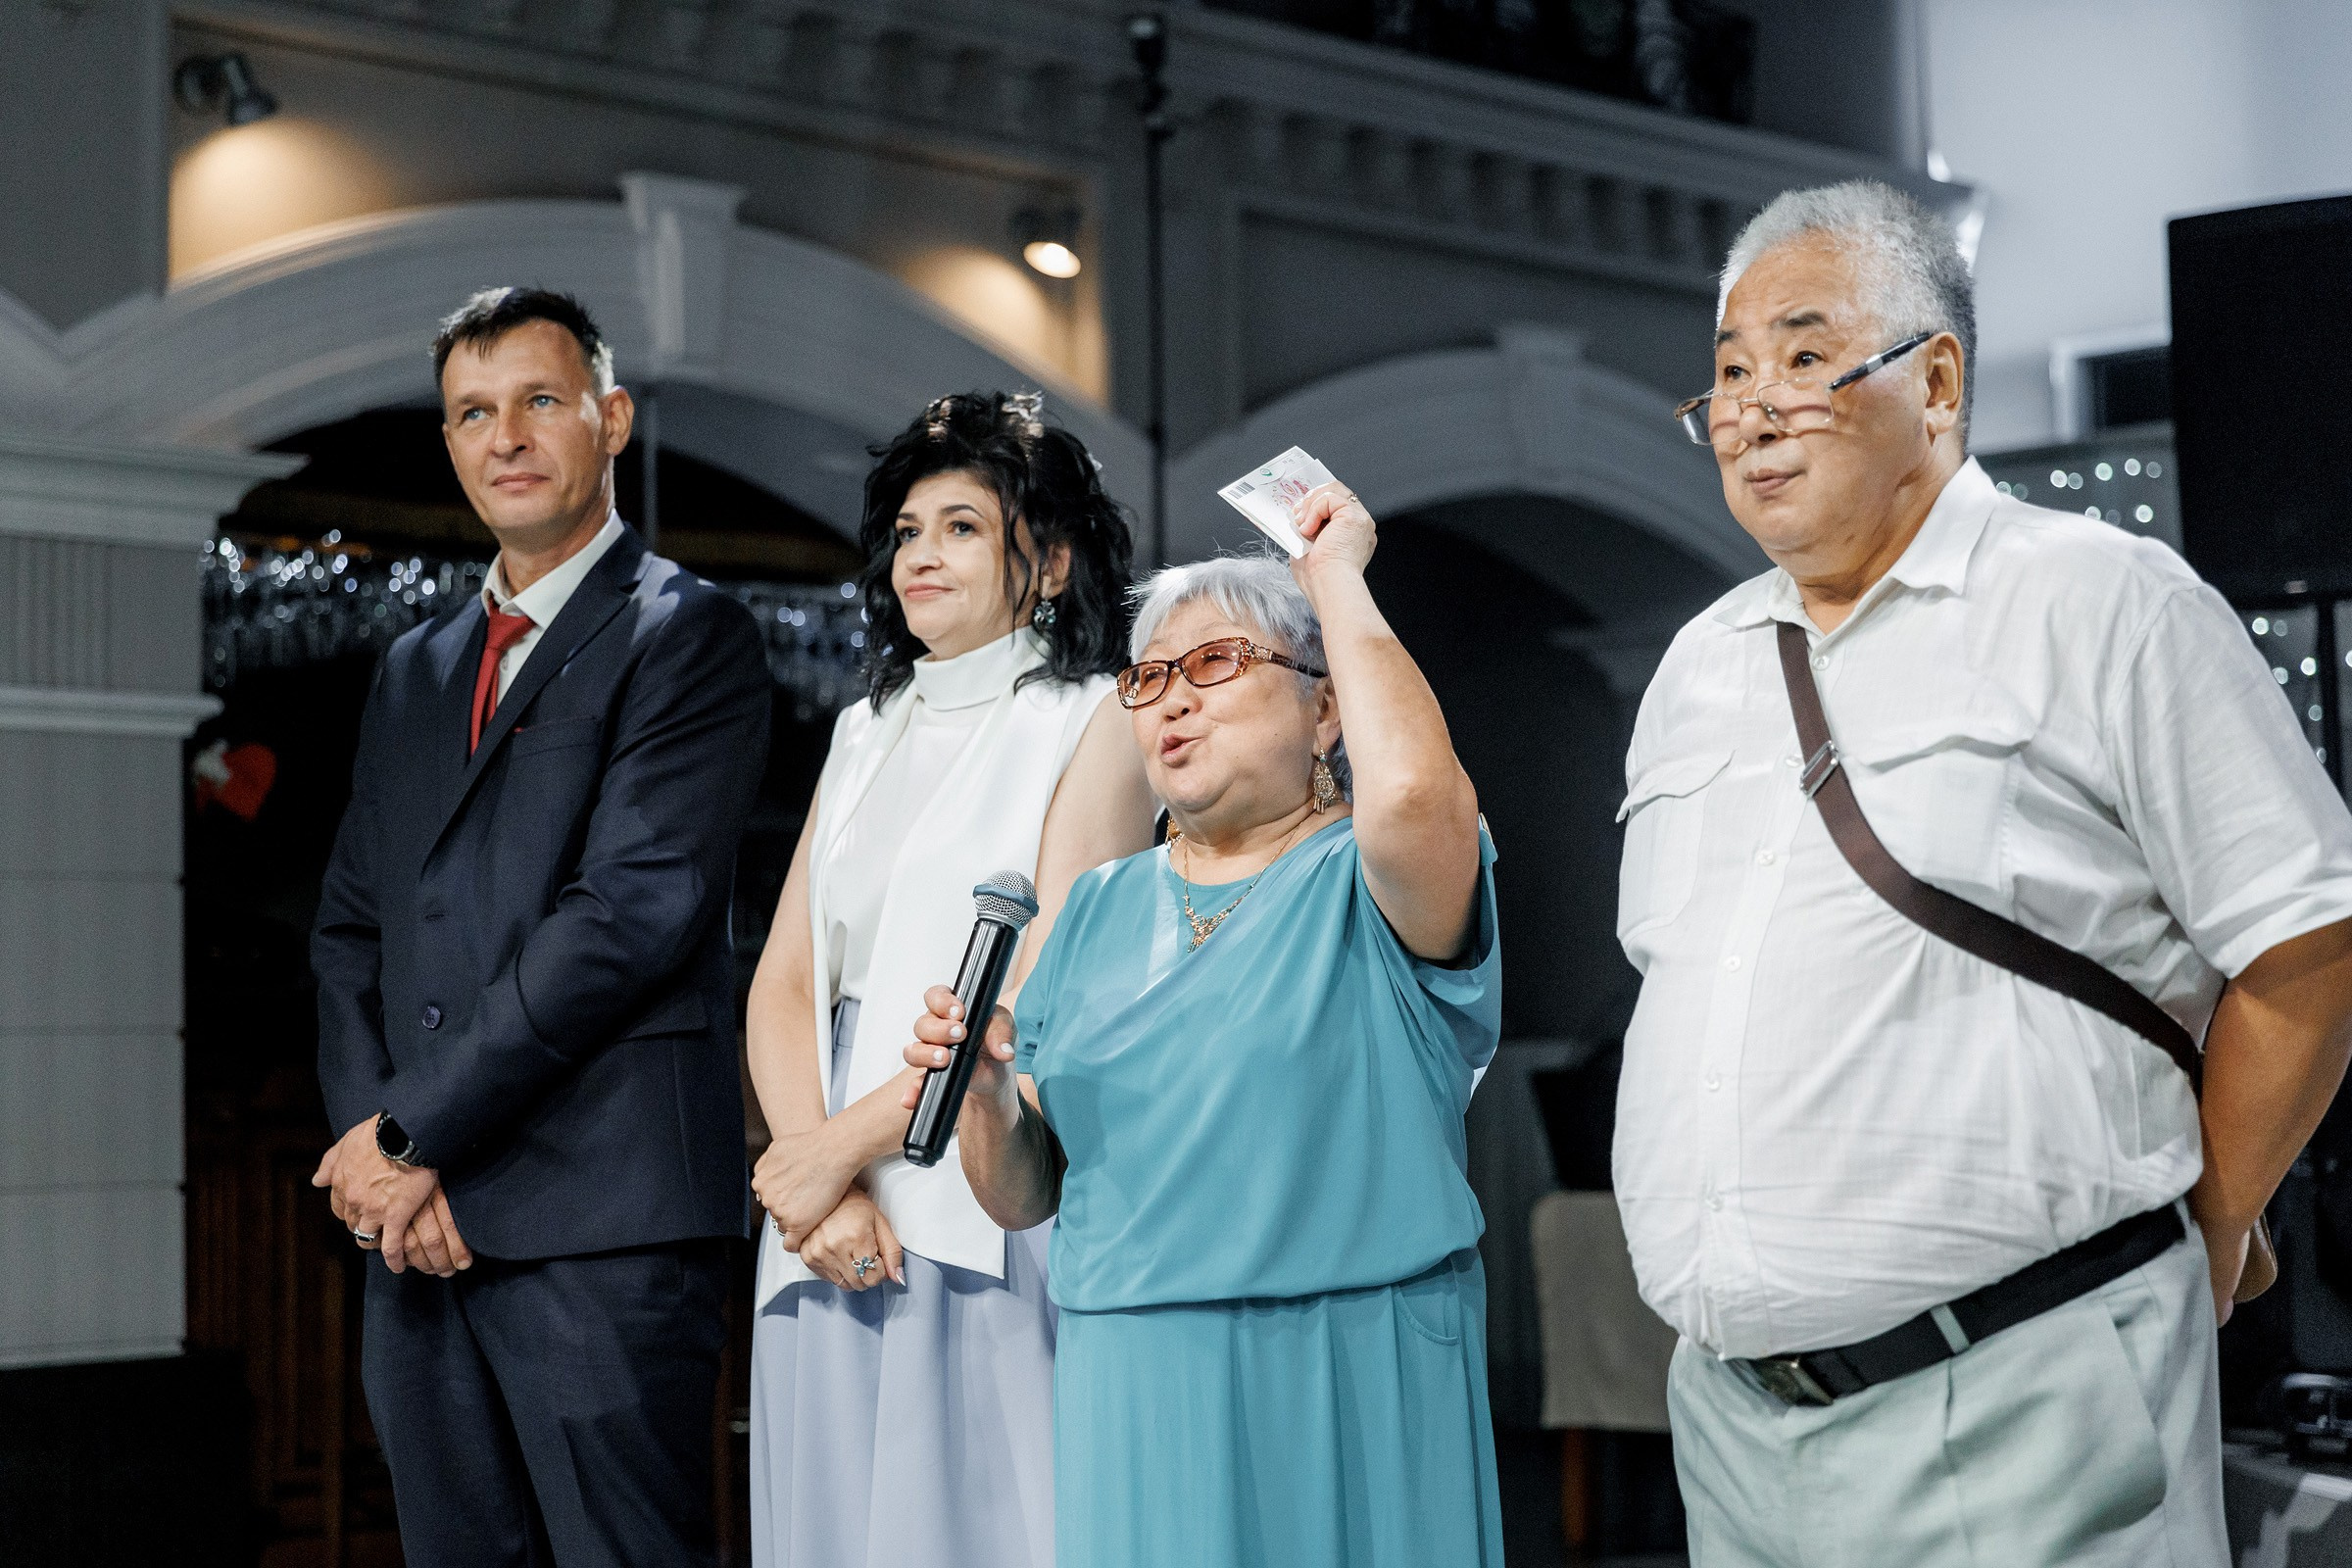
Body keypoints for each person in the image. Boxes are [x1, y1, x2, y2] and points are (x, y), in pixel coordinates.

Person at [1615, 178, 2352, 1567]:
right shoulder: (1698, 666)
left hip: (2030, 1394)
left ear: (1936, 379)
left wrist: (2203, 1228)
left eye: (1804, 354)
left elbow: (2307, 943)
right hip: (1732, 1426)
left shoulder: (2103, 599)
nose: (1753, 404)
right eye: (1727, 372)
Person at [904, 518, 1506, 1567]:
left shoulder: (1371, 879)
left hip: (1347, 1366)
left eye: (1217, 663)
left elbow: (1409, 788)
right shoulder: (1092, 908)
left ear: (1326, 707)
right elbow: (1026, 1192)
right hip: (1134, 1379)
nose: (1173, 697)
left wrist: (1331, 577)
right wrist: (988, 1096)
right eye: (1147, 678)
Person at [311, 287, 772, 1566]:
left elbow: (629, 915)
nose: (504, 434)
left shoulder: (691, 636)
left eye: (540, 400)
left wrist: (417, 1132)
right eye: (473, 411)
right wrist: (379, 1159)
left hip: (602, 1222)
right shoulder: (414, 667)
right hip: (413, 1232)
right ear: (451, 446)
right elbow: (352, 930)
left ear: (611, 418)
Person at [743, 391, 1155, 1568]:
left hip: (984, 1181)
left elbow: (1039, 993)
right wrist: (814, 1181)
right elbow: (784, 980)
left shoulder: (1093, 720)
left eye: (964, 526)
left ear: (1052, 558)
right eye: (910, 529)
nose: (922, 553)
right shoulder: (865, 725)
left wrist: (831, 1154)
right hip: (826, 1214)